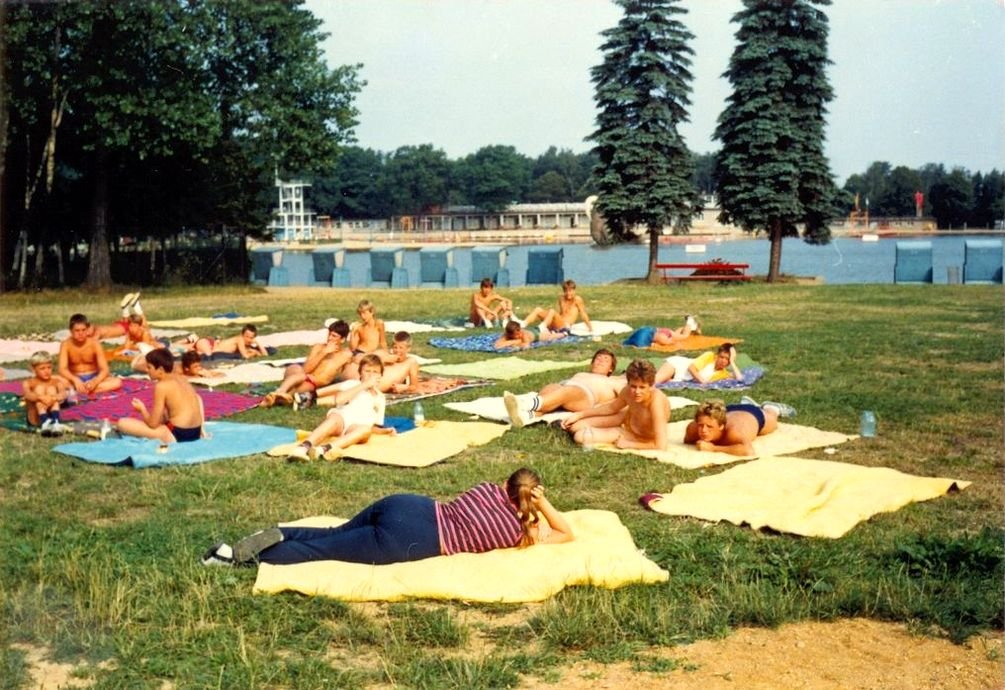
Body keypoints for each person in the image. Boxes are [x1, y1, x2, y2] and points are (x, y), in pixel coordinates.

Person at [201, 467, 574, 566]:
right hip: (411, 540)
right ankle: (233, 559)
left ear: (506, 483)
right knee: (323, 553)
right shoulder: (518, 533)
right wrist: (543, 506)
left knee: (334, 532)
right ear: (533, 497)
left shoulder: (486, 488)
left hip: (409, 505)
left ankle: (281, 532)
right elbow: (566, 533)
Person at [285, 354, 393, 462]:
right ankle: (303, 447)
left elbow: (373, 426)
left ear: (380, 375)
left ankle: (323, 449)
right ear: (360, 372)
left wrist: (384, 431)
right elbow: (340, 400)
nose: (371, 375)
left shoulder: (380, 397)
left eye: (375, 372)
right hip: (342, 420)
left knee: (365, 430)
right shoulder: (353, 384)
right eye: (367, 371)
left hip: (356, 427)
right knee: (334, 419)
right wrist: (365, 385)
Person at [561, 359, 669, 451]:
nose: (637, 392)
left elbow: (660, 445)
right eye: (633, 386)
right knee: (575, 427)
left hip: (640, 437)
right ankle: (614, 423)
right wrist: (579, 415)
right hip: (628, 420)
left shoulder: (656, 402)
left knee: (580, 436)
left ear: (651, 386)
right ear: (628, 383)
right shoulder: (627, 391)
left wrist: (629, 444)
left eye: (642, 387)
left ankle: (613, 427)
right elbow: (611, 408)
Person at [503, 348, 624, 428]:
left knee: (568, 391)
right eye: (598, 358)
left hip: (585, 396)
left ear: (611, 369)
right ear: (592, 363)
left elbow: (625, 399)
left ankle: (523, 404)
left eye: (606, 360)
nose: (601, 361)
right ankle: (525, 417)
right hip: (566, 388)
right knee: (552, 387)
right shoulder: (582, 374)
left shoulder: (613, 381)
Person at [116, 349, 205, 443]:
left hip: (178, 434)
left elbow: (153, 424)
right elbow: (197, 398)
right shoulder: (182, 379)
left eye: (149, 367)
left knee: (122, 423)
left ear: (160, 370)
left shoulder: (162, 386)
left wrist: (142, 409)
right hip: (196, 432)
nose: (147, 370)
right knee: (166, 413)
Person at [260, 320, 352, 408]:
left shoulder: (346, 355)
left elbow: (348, 374)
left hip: (313, 383)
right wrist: (323, 353)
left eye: (334, 336)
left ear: (342, 339)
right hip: (301, 375)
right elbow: (305, 370)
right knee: (297, 369)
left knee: (302, 387)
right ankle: (280, 391)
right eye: (329, 334)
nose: (329, 338)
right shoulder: (318, 347)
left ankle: (276, 398)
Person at [684, 397, 796, 456]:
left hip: (752, 414)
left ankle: (771, 407)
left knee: (772, 421)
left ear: (721, 426)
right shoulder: (693, 429)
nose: (703, 430)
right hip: (729, 410)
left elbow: (748, 451)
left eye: (709, 427)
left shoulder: (734, 431)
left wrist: (713, 448)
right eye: (701, 425)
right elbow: (687, 440)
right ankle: (746, 403)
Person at [58, 314, 122, 396]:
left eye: (83, 330)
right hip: (74, 377)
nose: (81, 333)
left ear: (87, 330)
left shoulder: (95, 344)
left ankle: (77, 390)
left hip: (93, 376)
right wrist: (75, 380)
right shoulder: (66, 344)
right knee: (54, 380)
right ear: (71, 331)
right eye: (77, 330)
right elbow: (62, 369)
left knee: (117, 382)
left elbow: (105, 369)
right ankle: (84, 389)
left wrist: (95, 381)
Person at [23, 351, 72, 434]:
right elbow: (27, 394)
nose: (47, 371)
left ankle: (55, 422)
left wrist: (53, 398)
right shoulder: (29, 382)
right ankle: (45, 422)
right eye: (42, 368)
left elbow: (63, 394)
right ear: (33, 369)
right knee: (39, 389)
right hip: (36, 417)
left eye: (49, 367)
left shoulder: (56, 381)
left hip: (52, 412)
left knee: (51, 390)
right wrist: (41, 397)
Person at [522, 279, 593, 334]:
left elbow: (583, 314)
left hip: (565, 326)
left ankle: (542, 327)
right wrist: (553, 320)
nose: (568, 293)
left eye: (570, 291)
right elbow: (561, 313)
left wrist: (590, 327)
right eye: (566, 291)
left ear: (574, 290)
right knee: (538, 310)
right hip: (558, 324)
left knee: (552, 311)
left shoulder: (577, 299)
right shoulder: (561, 299)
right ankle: (523, 324)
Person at [654, 342, 743, 385]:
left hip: (679, 378)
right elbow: (691, 368)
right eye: (721, 357)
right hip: (677, 366)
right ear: (717, 355)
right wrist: (702, 381)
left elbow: (740, 379)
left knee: (657, 382)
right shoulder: (710, 356)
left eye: (727, 359)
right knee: (654, 382)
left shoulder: (723, 373)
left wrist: (732, 362)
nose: (723, 361)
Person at [190, 324, 267, 359]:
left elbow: (265, 355)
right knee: (207, 355)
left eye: (251, 338)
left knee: (198, 353)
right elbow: (245, 356)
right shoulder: (239, 339)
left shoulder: (246, 345)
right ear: (242, 334)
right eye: (246, 336)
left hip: (210, 346)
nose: (248, 339)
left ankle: (190, 346)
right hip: (208, 343)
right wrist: (253, 353)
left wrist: (257, 343)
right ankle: (190, 341)